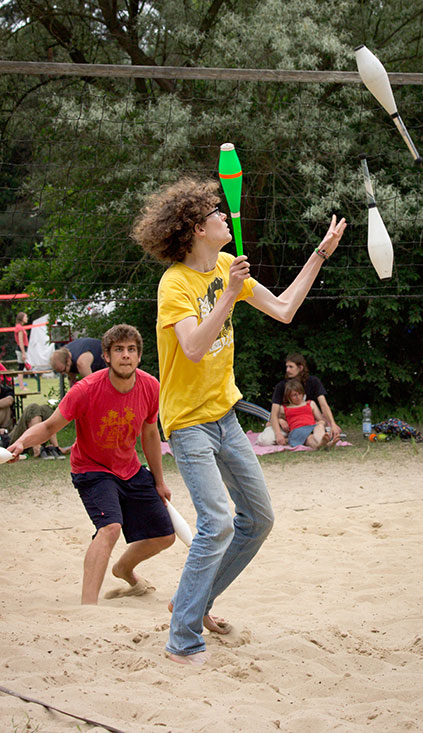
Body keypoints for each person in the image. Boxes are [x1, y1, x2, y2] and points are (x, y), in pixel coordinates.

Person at [132, 176, 346, 664]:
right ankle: (182, 640)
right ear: (194, 230)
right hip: (188, 423)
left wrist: (320, 253)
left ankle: (193, 602)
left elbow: (285, 309)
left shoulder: (228, 266)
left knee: (258, 520)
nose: (224, 215)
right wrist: (227, 295)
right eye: (214, 212)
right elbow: (192, 347)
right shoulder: (175, 284)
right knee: (217, 523)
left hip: (225, 417)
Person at [8, 324, 175, 605]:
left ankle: (123, 570)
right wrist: (20, 444)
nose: (125, 355)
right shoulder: (85, 389)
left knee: (165, 535)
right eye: (118, 350)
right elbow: (49, 426)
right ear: (106, 356)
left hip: (130, 469)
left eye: (131, 350)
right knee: (110, 528)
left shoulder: (150, 386)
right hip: (92, 469)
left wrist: (159, 481)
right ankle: (88, 608)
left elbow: (149, 434)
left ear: (139, 356)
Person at [257, 352, 341, 447]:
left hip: (309, 423)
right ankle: (290, 439)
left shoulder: (313, 382)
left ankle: (320, 442)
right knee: (265, 441)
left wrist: (333, 424)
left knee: (320, 428)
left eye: (291, 367)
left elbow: (323, 405)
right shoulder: (281, 386)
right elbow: (274, 413)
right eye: (286, 367)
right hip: (286, 425)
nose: (287, 370)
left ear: (300, 368)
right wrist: (278, 430)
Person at [282, 378, 330, 449]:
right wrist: (280, 420)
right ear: (288, 396)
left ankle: (321, 444)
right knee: (309, 438)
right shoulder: (285, 408)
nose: (298, 397)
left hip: (311, 428)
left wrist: (322, 422)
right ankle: (325, 444)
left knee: (319, 426)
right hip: (297, 431)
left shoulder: (310, 403)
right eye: (294, 395)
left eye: (300, 394)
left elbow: (321, 419)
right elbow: (272, 420)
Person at [14, 312, 30, 391]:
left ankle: (21, 385)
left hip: (22, 349)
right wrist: (23, 353)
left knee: (22, 367)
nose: (27, 318)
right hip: (21, 349)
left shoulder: (19, 327)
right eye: (25, 317)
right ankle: (21, 386)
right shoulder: (19, 328)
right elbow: (20, 341)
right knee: (21, 368)